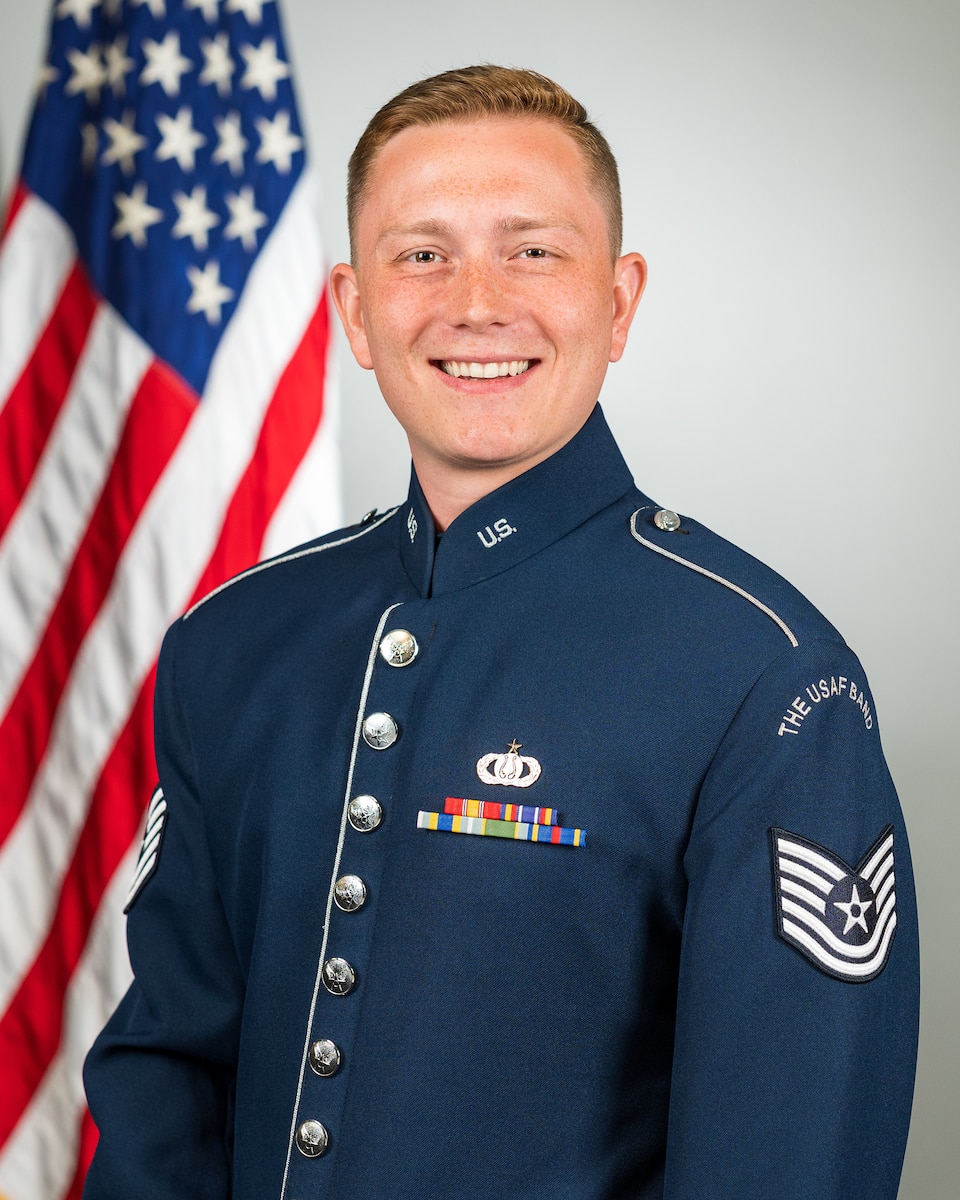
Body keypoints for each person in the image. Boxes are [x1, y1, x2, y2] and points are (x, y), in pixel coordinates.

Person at [83, 65, 919, 1199]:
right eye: (421, 253)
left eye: (533, 250)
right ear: (354, 312)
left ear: (619, 302)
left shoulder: (763, 678)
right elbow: (167, 1076)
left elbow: (785, 1158)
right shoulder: (234, 643)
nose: (476, 301)